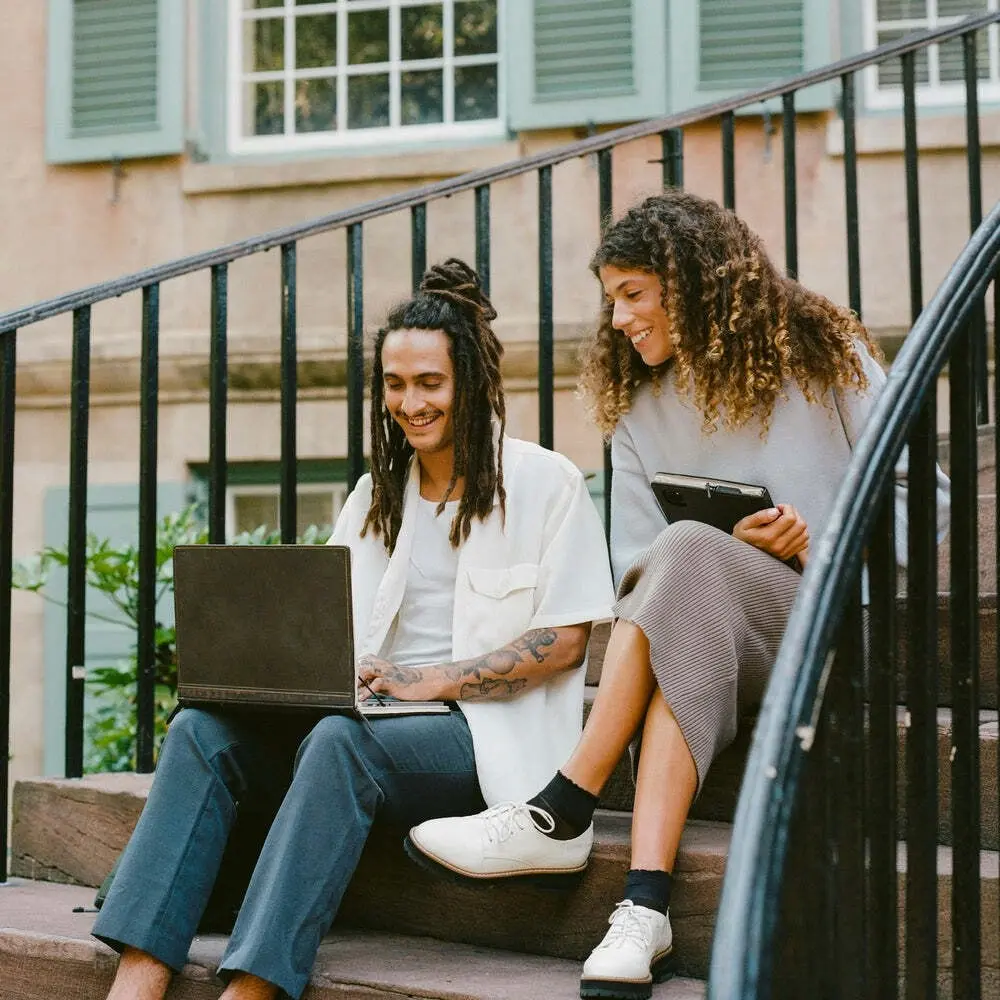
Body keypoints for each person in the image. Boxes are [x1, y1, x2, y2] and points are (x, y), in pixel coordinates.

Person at [406, 192, 949, 1000]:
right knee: (686, 563)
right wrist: (726, 555)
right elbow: (634, 567)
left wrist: (816, 546)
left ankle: (562, 805)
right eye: (611, 299)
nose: (619, 319)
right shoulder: (639, 407)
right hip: (707, 634)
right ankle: (644, 905)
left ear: (694, 283)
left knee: (690, 551)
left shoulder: (823, 352)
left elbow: (927, 504)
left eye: (633, 295)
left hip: (831, 623)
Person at [92, 259, 615, 1000]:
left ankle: (254, 989)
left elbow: (566, 642)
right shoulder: (376, 494)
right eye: (395, 385)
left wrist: (432, 679)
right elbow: (328, 628)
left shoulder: (544, 482)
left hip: (478, 740)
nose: (410, 402)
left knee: (343, 742)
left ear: (470, 381)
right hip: (368, 722)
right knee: (201, 730)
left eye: (429, 383)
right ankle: (137, 982)